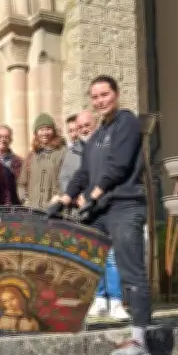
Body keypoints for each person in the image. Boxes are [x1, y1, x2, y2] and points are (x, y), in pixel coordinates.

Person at [57, 75, 150, 355]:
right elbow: (83, 173)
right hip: (100, 210)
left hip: (124, 205)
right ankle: (76, 321)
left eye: (105, 94)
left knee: (131, 270)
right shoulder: (96, 135)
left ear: (116, 94)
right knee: (80, 263)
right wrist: (63, 198)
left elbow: (118, 167)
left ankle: (140, 340)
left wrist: (94, 195)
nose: (100, 101)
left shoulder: (127, 123)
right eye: (95, 97)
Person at [60, 111, 130, 321]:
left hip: (108, 206)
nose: (83, 129)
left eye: (87, 125)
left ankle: (116, 301)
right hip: (86, 211)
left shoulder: (107, 143)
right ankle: (99, 299)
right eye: (79, 126)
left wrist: (91, 195)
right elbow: (73, 177)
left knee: (111, 258)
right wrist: (70, 198)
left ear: (96, 123)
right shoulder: (72, 151)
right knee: (93, 256)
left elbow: (114, 174)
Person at [18, 113, 65, 209]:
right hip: (33, 211)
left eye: (48, 129)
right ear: (36, 133)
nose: (45, 133)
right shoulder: (31, 155)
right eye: (41, 129)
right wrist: (26, 201)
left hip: (55, 211)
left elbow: (67, 180)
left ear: (54, 131)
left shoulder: (63, 153)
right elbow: (22, 183)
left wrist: (58, 198)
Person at [0, 124, 23, 205]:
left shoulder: (18, 162)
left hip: (10, 206)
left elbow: (21, 185)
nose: (3, 140)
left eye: (6, 137)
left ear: (11, 140)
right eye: (0, 136)